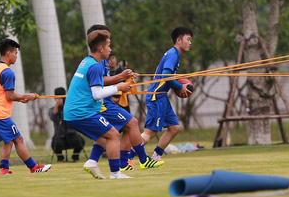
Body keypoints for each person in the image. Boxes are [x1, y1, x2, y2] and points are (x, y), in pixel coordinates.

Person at [80, 25, 163, 179]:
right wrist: (120, 80)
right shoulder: (95, 62)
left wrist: (124, 77)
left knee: (117, 130)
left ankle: (110, 162)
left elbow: (103, 79)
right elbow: (100, 81)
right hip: (102, 104)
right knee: (131, 123)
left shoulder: (97, 60)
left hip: (105, 101)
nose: (110, 49)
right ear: (99, 44)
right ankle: (143, 160)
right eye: (108, 43)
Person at [63, 29, 133, 179]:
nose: (110, 49)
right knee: (113, 134)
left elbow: (95, 89)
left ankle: (92, 162)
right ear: (101, 48)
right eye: (108, 46)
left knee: (103, 137)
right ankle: (115, 173)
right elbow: (97, 94)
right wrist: (119, 87)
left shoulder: (86, 61)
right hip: (81, 113)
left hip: (73, 112)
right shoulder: (95, 66)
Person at [0, 39, 50, 175]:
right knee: (18, 139)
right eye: (15, 53)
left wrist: (22, 99)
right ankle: (34, 167)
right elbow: (10, 96)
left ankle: (4, 169)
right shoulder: (8, 72)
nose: (16, 56)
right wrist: (27, 96)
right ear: (8, 53)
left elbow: (0, 94)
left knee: (9, 141)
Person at [141, 27, 193, 161]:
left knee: (175, 128)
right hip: (156, 95)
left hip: (162, 96)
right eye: (188, 39)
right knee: (150, 133)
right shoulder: (173, 54)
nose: (190, 42)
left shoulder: (175, 54)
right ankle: (125, 157)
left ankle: (156, 157)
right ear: (179, 40)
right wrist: (180, 86)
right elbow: (165, 75)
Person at [49, 87, 85, 162]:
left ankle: (75, 156)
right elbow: (53, 116)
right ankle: (60, 158)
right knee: (54, 143)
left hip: (71, 134)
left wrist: (65, 106)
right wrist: (57, 105)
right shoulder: (53, 109)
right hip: (60, 136)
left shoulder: (69, 108)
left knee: (81, 141)